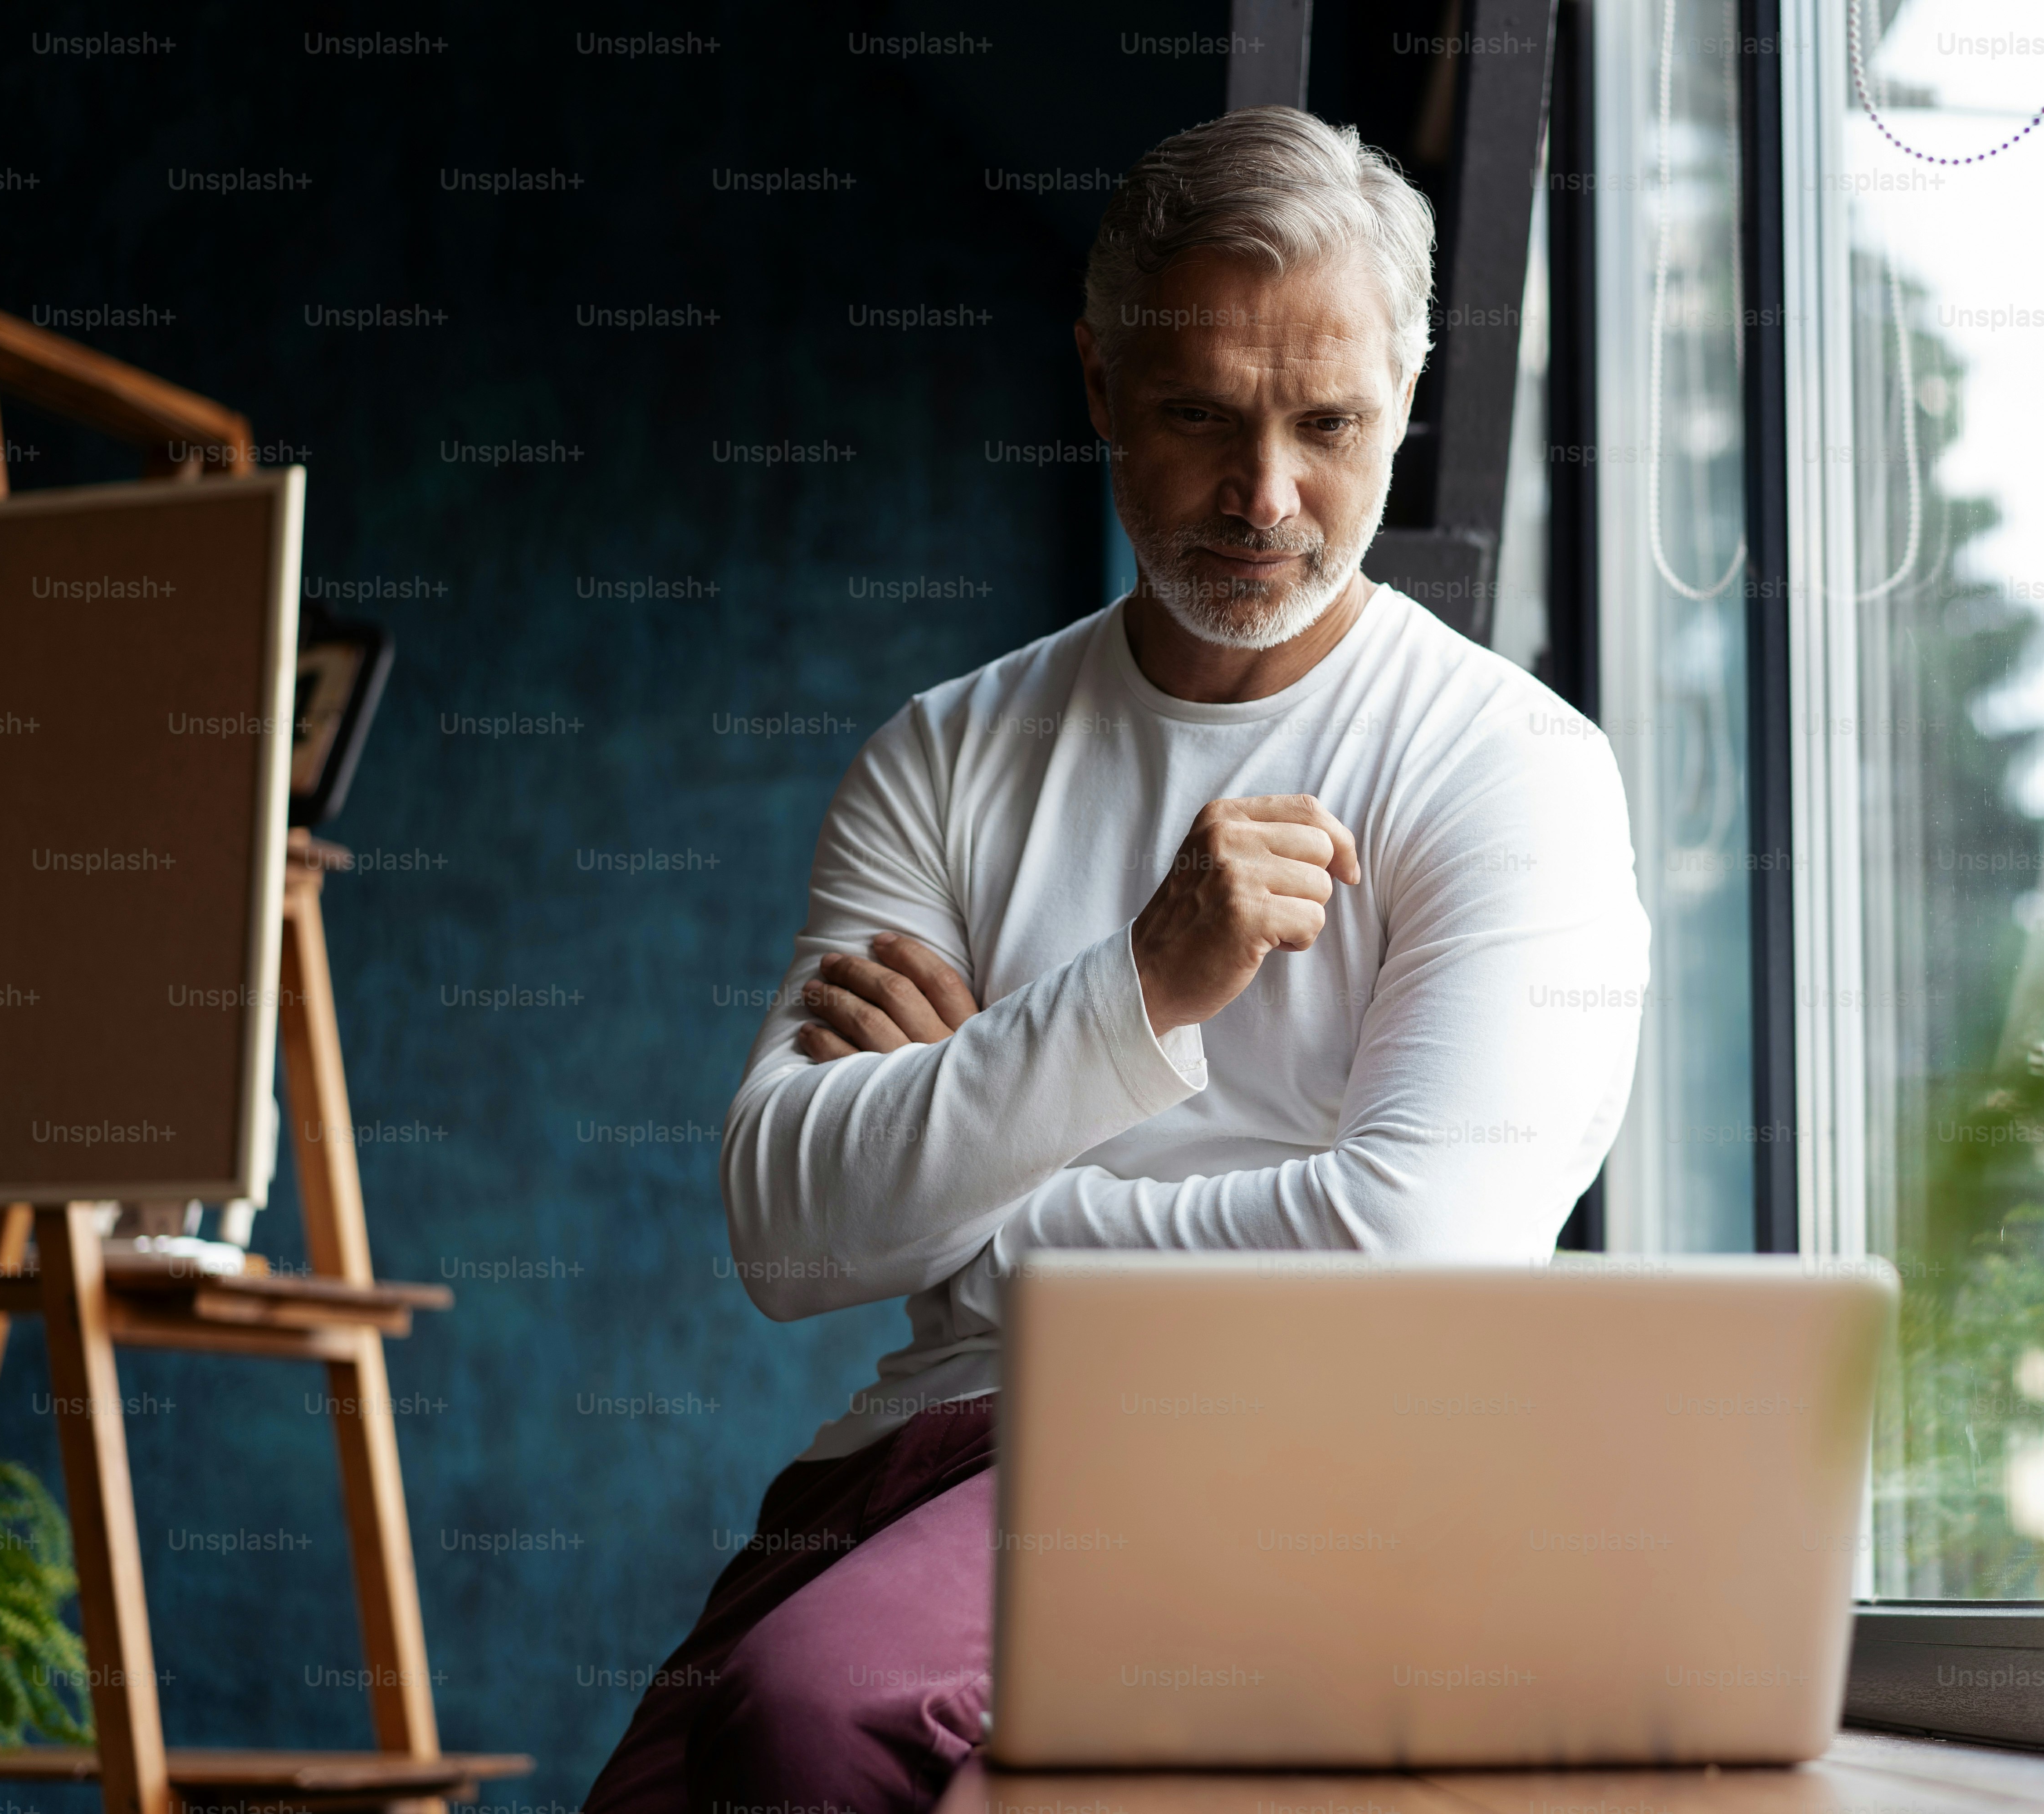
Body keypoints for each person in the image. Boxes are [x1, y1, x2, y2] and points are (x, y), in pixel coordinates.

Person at [582, 104, 1647, 1814]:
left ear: (1412, 391)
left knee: (815, 1714)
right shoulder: (943, 755)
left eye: (1331, 423)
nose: (1266, 495)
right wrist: (1134, 992)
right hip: (925, 1458)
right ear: (1095, 388)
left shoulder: (1508, 768)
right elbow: (787, 1228)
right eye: (1198, 416)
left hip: (1305, 1447)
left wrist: (978, 1162)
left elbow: (1416, 1256)